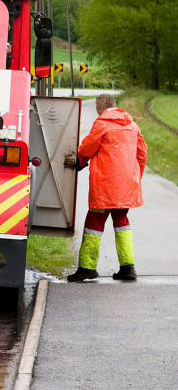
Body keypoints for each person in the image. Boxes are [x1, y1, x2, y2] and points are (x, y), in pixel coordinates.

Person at [68, 94, 147, 282]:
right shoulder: (133, 126)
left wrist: (79, 162)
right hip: (126, 186)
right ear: (114, 106)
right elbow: (142, 155)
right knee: (121, 221)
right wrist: (134, 178)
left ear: (99, 106)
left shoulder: (101, 124)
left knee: (94, 222)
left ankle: (87, 267)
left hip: (105, 186)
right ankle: (128, 267)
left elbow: (87, 148)